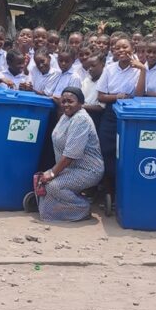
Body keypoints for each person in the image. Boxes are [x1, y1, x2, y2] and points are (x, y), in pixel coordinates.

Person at [37, 87, 104, 222]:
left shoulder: (81, 120)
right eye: (63, 101)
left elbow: (70, 155)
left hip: (88, 170)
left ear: (80, 103)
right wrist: (49, 174)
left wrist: (52, 174)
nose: (66, 105)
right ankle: (56, 210)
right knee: (40, 180)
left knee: (53, 185)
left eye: (70, 101)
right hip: (71, 168)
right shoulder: (66, 116)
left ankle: (82, 208)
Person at [96, 38, 142, 194]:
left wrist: (143, 70)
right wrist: (118, 96)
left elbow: (140, 95)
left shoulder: (139, 69)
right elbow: (101, 96)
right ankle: (108, 192)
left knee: (127, 152)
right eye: (117, 48)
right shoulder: (109, 69)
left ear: (133, 48)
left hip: (131, 115)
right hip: (111, 113)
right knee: (106, 150)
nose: (121, 50)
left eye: (125, 47)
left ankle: (125, 190)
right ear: (113, 51)